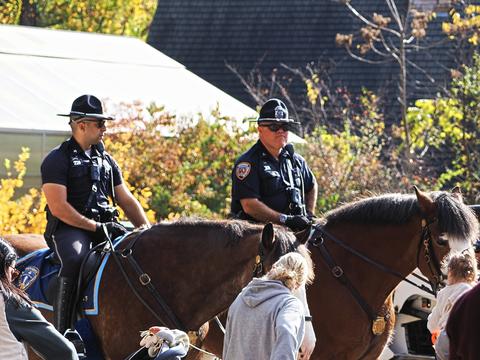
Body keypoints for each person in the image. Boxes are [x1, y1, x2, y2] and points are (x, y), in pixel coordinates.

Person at [41, 94, 151, 336]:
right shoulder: (57, 160)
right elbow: (58, 207)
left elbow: (127, 201)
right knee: (74, 259)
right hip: (70, 230)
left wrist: (147, 230)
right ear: (81, 125)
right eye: (99, 123)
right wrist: (94, 227)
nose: (105, 128)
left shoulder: (107, 160)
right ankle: (63, 331)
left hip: (106, 227)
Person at [230, 98, 318, 231]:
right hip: (259, 239)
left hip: (295, 235)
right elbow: (249, 205)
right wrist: (285, 220)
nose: (280, 131)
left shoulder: (296, 161)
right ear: (260, 129)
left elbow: (312, 185)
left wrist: (309, 215)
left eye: (285, 126)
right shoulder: (248, 163)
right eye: (274, 127)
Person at [0, 237, 78, 360]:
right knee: (73, 259)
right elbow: (65, 352)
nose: (13, 279)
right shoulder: (10, 304)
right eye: (13, 274)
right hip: (68, 229)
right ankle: (64, 324)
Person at [222, 252, 311, 360]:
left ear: (273, 268)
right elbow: (286, 333)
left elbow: (227, 346)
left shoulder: (240, 298)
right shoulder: (289, 305)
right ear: (298, 285)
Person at [427, 251, 477, 360]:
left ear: (450, 272)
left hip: (445, 342)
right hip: (467, 341)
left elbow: (432, 324)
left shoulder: (443, 293)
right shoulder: (473, 291)